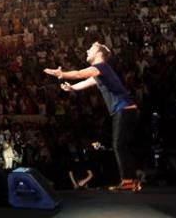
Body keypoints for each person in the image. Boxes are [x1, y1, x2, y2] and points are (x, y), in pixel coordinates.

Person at [45, 41, 141, 192]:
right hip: (127, 111)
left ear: (99, 54)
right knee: (122, 146)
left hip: (124, 110)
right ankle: (133, 180)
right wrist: (71, 87)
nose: (87, 50)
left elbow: (79, 74)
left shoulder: (100, 67)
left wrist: (62, 74)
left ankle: (128, 181)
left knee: (118, 146)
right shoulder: (101, 72)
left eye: (91, 48)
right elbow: (85, 81)